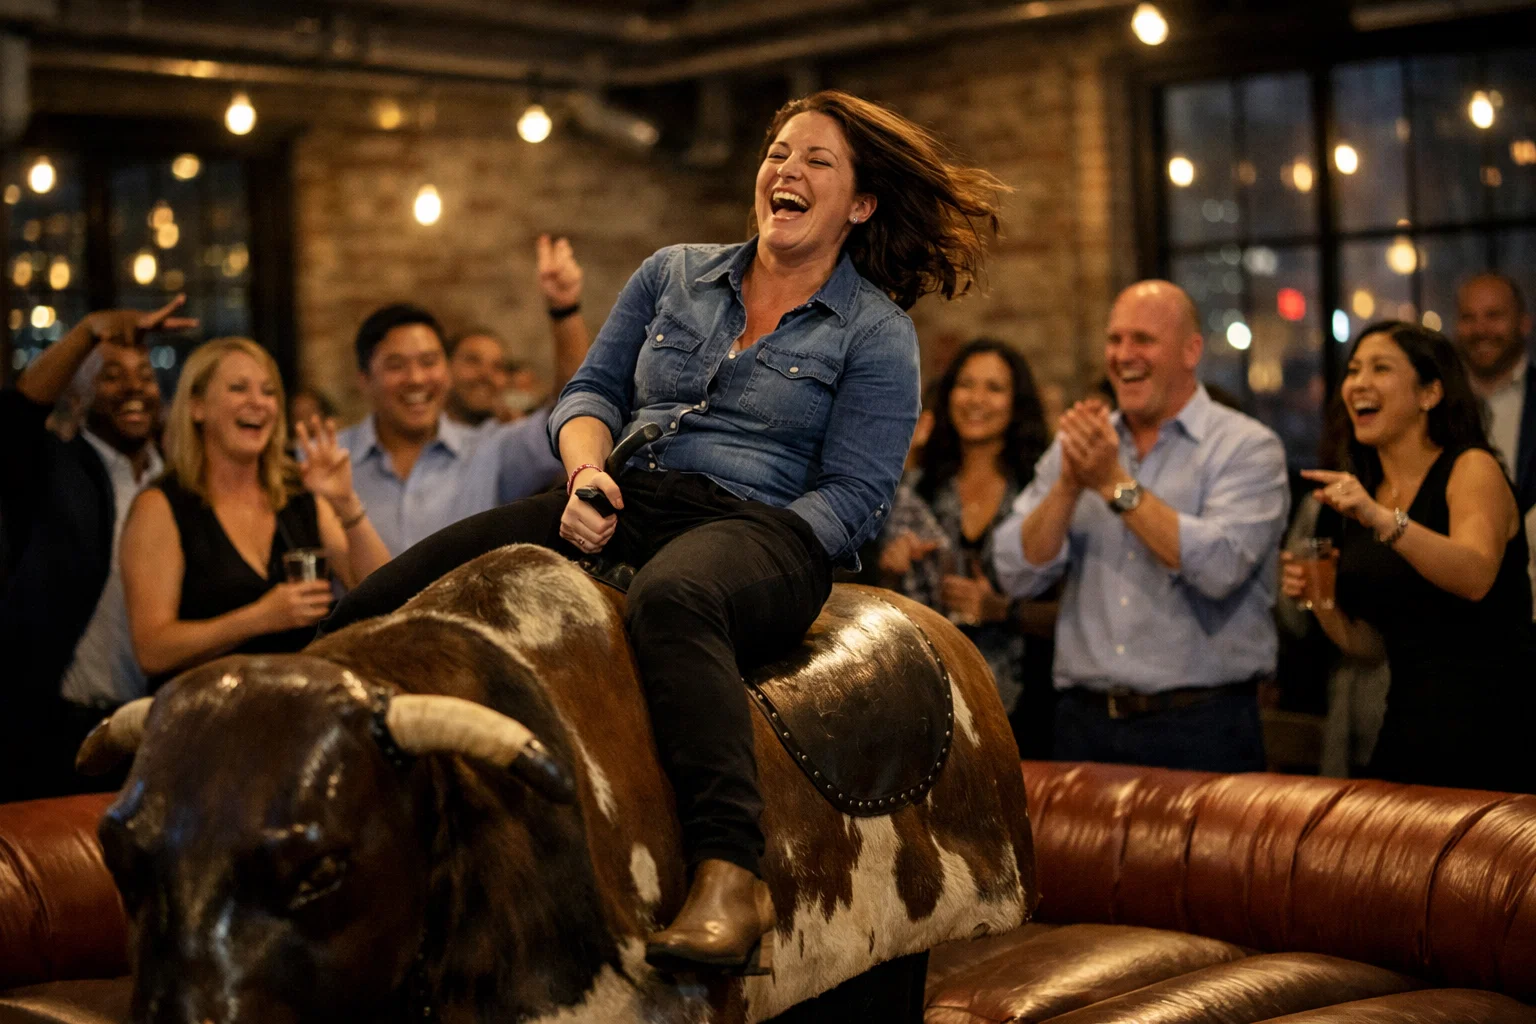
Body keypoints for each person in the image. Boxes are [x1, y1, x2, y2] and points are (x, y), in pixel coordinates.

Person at [321, 90, 1005, 976]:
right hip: (630, 489)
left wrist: (767, 542)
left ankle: (732, 870)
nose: (785, 171)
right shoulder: (673, 273)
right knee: (397, 590)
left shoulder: (876, 331)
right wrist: (586, 475)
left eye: (815, 162)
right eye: (777, 153)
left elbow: (858, 496)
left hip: (768, 528)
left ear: (860, 204)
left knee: (675, 597)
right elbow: (589, 395)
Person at [994, 280, 1289, 773]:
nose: (1123, 355)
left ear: (1191, 350)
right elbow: (1015, 573)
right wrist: (1068, 484)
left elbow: (1219, 567)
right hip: (1082, 726)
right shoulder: (1084, 446)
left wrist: (1113, 483)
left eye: (1143, 340)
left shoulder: (1247, 447)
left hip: (1202, 726)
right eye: (1114, 340)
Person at [1281, 321, 1534, 793]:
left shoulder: (1470, 467)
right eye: (1354, 369)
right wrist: (1321, 599)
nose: (1358, 383)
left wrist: (1382, 519)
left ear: (1430, 394)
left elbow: (1476, 574)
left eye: (1381, 368)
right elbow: (1372, 647)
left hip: (1494, 724)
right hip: (1406, 725)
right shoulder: (1368, 488)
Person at [0, 298, 195, 801]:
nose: (134, 387)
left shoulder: (181, 484)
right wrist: (88, 332)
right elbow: (19, 413)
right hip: (63, 733)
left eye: (145, 377)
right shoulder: (53, 471)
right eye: (110, 376)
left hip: (161, 728)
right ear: (78, 397)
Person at [121, 338, 391, 682]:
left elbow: (385, 597)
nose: (258, 403)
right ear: (197, 407)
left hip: (302, 710)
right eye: (238, 388)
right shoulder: (161, 506)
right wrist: (259, 617)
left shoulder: (298, 494)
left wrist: (345, 503)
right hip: (206, 719)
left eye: (268, 392)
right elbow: (153, 650)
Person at [877, 338, 1057, 756]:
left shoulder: (1042, 495)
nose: (977, 399)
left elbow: (1075, 612)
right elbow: (871, 603)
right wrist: (888, 570)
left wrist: (1000, 609)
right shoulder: (912, 492)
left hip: (1026, 707)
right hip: (925, 703)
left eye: (994, 388)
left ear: (1017, 403)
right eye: (966, 384)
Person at [446, 236, 589, 430]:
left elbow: (570, 402)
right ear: (444, 368)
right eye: (472, 360)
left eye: (498, 367)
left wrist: (564, 308)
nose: (486, 375)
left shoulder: (508, 441)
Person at [1456, 273, 1534, 509]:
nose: (1480, 329)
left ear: (1524, 323)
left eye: (1494, 315)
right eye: (1468, 317)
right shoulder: (1437, 401)